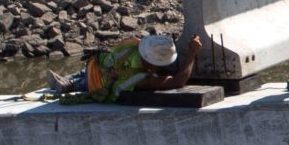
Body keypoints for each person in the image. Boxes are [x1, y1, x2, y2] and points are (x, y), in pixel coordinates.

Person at [55, 31, 195, 102]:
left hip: (94, 64)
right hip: (95, 84)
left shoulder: (133, 43)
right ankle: (71, 86)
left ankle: (69, 79)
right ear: (154, 63)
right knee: (80, 84)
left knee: (84, 74)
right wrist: (192, 53)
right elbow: (178, 82)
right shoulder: (142, 79)